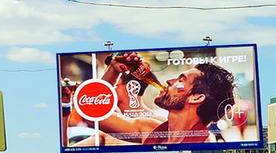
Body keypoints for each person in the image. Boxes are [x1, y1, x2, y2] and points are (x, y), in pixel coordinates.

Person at [93, 53, 237, 146]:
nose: (169, 81)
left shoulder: (205, 146)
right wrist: (113, 70)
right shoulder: (151, 129)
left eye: (181, 80)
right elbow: (93, 113)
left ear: (196, 97)